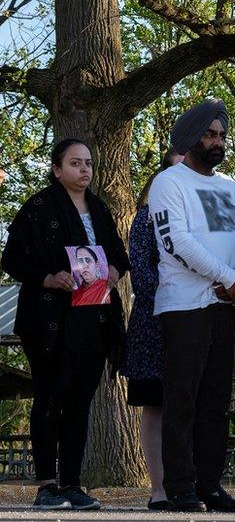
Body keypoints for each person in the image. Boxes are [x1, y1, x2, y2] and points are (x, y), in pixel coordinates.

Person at [2, 138, 130, 510]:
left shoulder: (100, 209)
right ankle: (47, 484)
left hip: (95, 318)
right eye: (75, 163)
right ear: (57, 169)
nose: (84, 170)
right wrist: (46, 277)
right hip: (49, 319)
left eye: (88, 163)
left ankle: (72, 482)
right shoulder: (38, 208)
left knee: (79, 403)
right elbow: (11, 258)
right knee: (49, 398)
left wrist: (114, 272)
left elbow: (119, 255)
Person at [149, 98, 235, 513]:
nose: (217, 141)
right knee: (183, 399)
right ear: (191, 137)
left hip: (228, 307)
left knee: (217, 402)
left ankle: (211, 486)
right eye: (209, 134)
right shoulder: (170, 182)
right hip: (185, 306)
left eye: (221, 135)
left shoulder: (229, 187)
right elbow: (175, 241)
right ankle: (180, 488)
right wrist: (229, 278)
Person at [124, 147, 184, 510]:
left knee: (189, 404)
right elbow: (141, 271)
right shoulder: (145, 218)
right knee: (155, 405)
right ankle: (159, 488)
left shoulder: (202, 219)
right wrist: (168, 299)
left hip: (195, 320)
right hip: (154, 323)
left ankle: (188, 483)